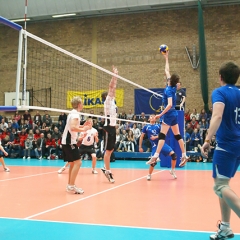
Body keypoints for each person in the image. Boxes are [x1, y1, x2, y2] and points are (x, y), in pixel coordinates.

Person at [201, 61, 240, 240]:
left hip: (226, 146)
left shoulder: (220, 92)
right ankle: (225, 227)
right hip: (237, 145)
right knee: (224, 184)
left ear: (221, 77)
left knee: (220, 186)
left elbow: (217, 115)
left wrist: (207, 139)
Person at [146, 51, 189, 167]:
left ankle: (155, 157)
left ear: (170, 80)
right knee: (178, 135)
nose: (166, 77)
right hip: (174, 114)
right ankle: (184, 154)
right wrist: (166, 58)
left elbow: (170, 105)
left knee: (162, 136)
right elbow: (167, 70)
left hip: (169, 114)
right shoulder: (173, 86)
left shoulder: (170, 90)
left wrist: (160, 114)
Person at [61, 96, 90, 194]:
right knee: (78, 162)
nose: (83, 104)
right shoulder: (75, 115)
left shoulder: (73, 113)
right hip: (69, 142)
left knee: (73, 163)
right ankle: (71, 185)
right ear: (79, 104)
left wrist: (83, 126)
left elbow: (73, 126)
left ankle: (70, 185)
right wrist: (83, 129)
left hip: (67, 141)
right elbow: (73, 128)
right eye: (82, 103)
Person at [139, 114, 177, 180]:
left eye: (154, 116)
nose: (153, 117)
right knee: (153, 162)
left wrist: (156, 137)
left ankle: (172, 171)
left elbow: (164, 134)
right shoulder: (146, 127)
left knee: (174, 155)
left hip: (162, 144)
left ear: (155, 119)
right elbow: (141, 137)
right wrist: (140, 147)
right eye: (151, 116)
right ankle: (149, 174)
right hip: (154, 146)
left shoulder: (159, 126)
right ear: (149, 119)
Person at [101, 66, 118, 183]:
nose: (113, 92)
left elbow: (114, 88)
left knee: (111, 150)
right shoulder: (107, 101)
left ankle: (105, 168)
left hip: (112, 128)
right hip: (107, 129)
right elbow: (111, 87)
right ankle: (108, 171)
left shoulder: (112, 101)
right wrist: (114, 75)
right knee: (108, 151)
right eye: (111, 93)